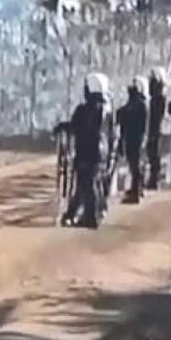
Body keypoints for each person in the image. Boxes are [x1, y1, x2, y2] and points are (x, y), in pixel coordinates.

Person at [63, 74, 111, 228]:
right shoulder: (105, 109)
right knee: (86, 184)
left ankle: (91, 217)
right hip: (99, 153)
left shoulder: (87, 109)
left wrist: (64, 127)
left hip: (88, 152)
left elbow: (77, 126)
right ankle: (74, 213)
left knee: (88, 185)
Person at [117, 78, 149, 204]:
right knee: (134, 165)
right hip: (133, 138)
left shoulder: (139, 104)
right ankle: (137, 189)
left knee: (135, 165)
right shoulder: (136, 103)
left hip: (135, 138)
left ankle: (136, 192)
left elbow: (127, 115)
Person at [146, 69, 168, 189]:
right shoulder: (156, 97)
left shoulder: (159, 98)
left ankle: (155, 179)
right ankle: (154, 178)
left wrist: (153, 132)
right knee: (152, 154)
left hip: (155, 129)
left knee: (154, 154)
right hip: (154, 128)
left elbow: (157, 115)